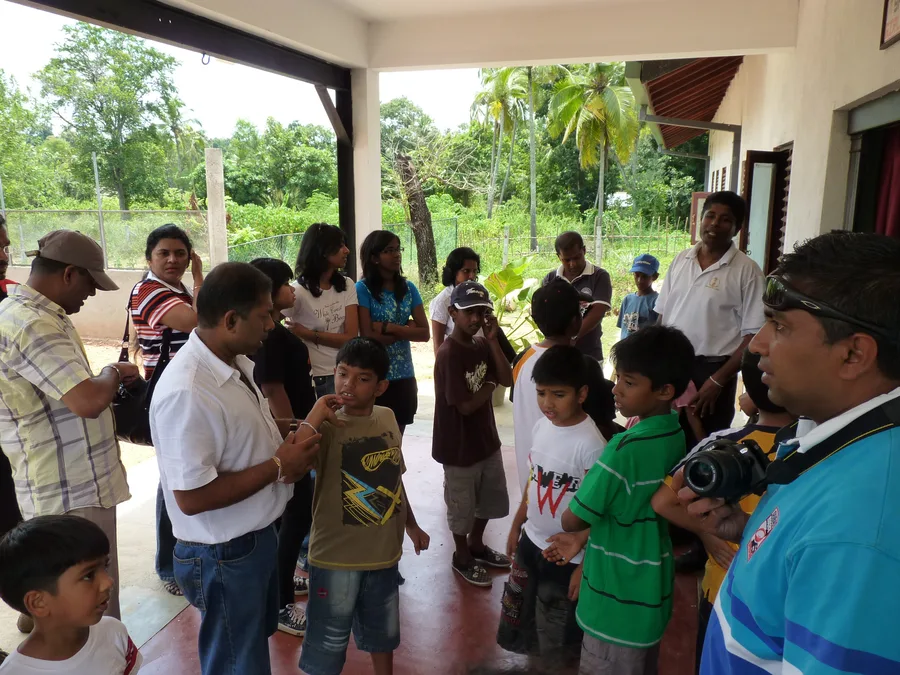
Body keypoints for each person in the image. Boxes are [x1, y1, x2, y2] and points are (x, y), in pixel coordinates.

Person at [674, 232, 900, 674]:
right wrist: (756, 529)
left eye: (779, 326)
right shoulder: (837, 437)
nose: (757, 344)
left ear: (854, 354)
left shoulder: (858, 528)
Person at [149, 262, 333, 675]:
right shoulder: (189, 391)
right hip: (222, 555)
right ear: (231, 320)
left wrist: (311, 418)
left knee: (246, 647)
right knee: (236, 662)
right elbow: (192, 497)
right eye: (265, 314)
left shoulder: (236, 364)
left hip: (252, 539)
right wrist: (278, 465)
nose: (273, 323)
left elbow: (249, 435)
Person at [0, 230, 139, 623]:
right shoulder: (31, 323)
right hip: (69, 493)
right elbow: (87, 400)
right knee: (90, 610)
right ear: (69, 274)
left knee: (74, 605)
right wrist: (112, 372)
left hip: (70, 487)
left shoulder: (35, 317)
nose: (91, 295)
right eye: (89, 284)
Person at [561, 325, 694, 675]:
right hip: (649, 590)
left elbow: (571, 520)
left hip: (613, 600)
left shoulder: (622, 448)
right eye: (617, 377)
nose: (616, 389)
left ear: (665, 390)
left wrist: (592, 482)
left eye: (630, 383)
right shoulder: (675, 433)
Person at [650, 349, 794, 671]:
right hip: (779, 603)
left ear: (750, 398)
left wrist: (707, 534)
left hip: (723, 593)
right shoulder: (808, 448)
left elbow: (662, 501)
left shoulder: (724, 442)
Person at [300, 337, 430, 675]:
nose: (348, 385)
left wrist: (411, 525)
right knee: (327, 642)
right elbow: (293, 462)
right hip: (334, 557)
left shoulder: (387, 418)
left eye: (362, 378)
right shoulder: (325, 425)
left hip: (383, 554)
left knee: (383, 634)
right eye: (343, 374)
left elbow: (393, 479)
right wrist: (316, 413)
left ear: (380, 386)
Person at [498, 345, 607, 665]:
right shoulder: (541, 427)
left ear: (582, 393)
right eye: (541, 393)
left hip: (567, 558)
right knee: (524, 619)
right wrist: (518, 522)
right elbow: (535, 480)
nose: (547, 403)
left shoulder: (591, 445)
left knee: (559, 636)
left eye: (558, 394)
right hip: (531, 543)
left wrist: (584, 565)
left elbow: (599, 513)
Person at [129, 224, 204, 598]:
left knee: (184, 475)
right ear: (149, 258)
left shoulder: (176, 290)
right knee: (174, 482)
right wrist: (202, 279)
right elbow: (198, 323)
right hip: (167, 397)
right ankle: (167, 565)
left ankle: (180, 557)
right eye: (164, 253)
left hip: (185, 393)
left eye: (180, 252)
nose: (173, 259)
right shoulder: (149, 291)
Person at [655, 191, 766, 442]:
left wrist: (717, 382)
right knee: (667, 440)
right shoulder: (681, 259)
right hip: (672, 366)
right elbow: (662, 316)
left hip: (713, 371)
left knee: (704, 444)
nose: (715, 224)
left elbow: (754, 336)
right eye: (710, 216)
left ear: (737, 227)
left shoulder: (747, 271)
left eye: (725, 219)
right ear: (700, 219)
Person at [249, 258, 318, 637]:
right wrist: (293, 438)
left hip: (295, 435)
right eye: (287, 285)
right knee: (293, 519)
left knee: (293, 518)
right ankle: (280, 603)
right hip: (289, 440)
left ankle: (283, 578)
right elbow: (273, 389)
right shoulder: (271, 338)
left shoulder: (274, 332)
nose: (293, 291)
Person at [432, 281, 513, 587]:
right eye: (469, 312)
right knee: (461, 506)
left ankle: (477, 544)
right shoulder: (449, 353)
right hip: (458, 446)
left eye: (481, 311)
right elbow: (465, 406)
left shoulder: (481, 345)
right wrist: (490, 386)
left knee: (490, 497)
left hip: (486, 441)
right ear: (452, 312)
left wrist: (492, 341)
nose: (476, 318)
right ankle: (462, 554)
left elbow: (506, 376)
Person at [0, 515, 142, 674]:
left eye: (105, 566)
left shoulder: (114, 632)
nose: (108, 581)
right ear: (38, 602)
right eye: (88, 575)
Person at [511, 279, 617, 491]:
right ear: (576, 322)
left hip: (532, 485)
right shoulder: (582, 367)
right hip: (571, 491)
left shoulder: (521, 360)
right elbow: (603, 428)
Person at [356, 231, 430, 436]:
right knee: (372, 442)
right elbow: (368, 336)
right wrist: (407, 330)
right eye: (389, 250)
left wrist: (390, 327)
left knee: (395, 443)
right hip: (374, 377)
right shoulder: (362, 289)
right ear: (374, 257)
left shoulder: (409, 288)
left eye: (398, 249)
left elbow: (424, 334)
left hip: (404, 376)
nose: (396, 255)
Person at [285, 222, 358, 398]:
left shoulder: (347, 285)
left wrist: (309, 334)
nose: (347, 250)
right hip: (315, 376)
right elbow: (272, 322)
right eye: (340, 245)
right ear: (323, 251)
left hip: (344, 371)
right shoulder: (298, 292)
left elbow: (350, 338)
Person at [541, 231, 612, 361]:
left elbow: (598, 311)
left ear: (584, 250)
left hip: (590, 354)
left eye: (576, 257)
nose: (572, 264)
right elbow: (545, 313)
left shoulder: (599, 276)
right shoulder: (550, 279)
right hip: (557, 354)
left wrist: (573, 337)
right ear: (558, 257)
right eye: (567, 260)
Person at [617, 253, 660, 339]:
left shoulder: (657, 301)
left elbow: (659, 333)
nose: (639, 280)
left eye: (645, 276)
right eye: (637, 275)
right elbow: (624, 329)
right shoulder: (627, 300)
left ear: (654, 277)